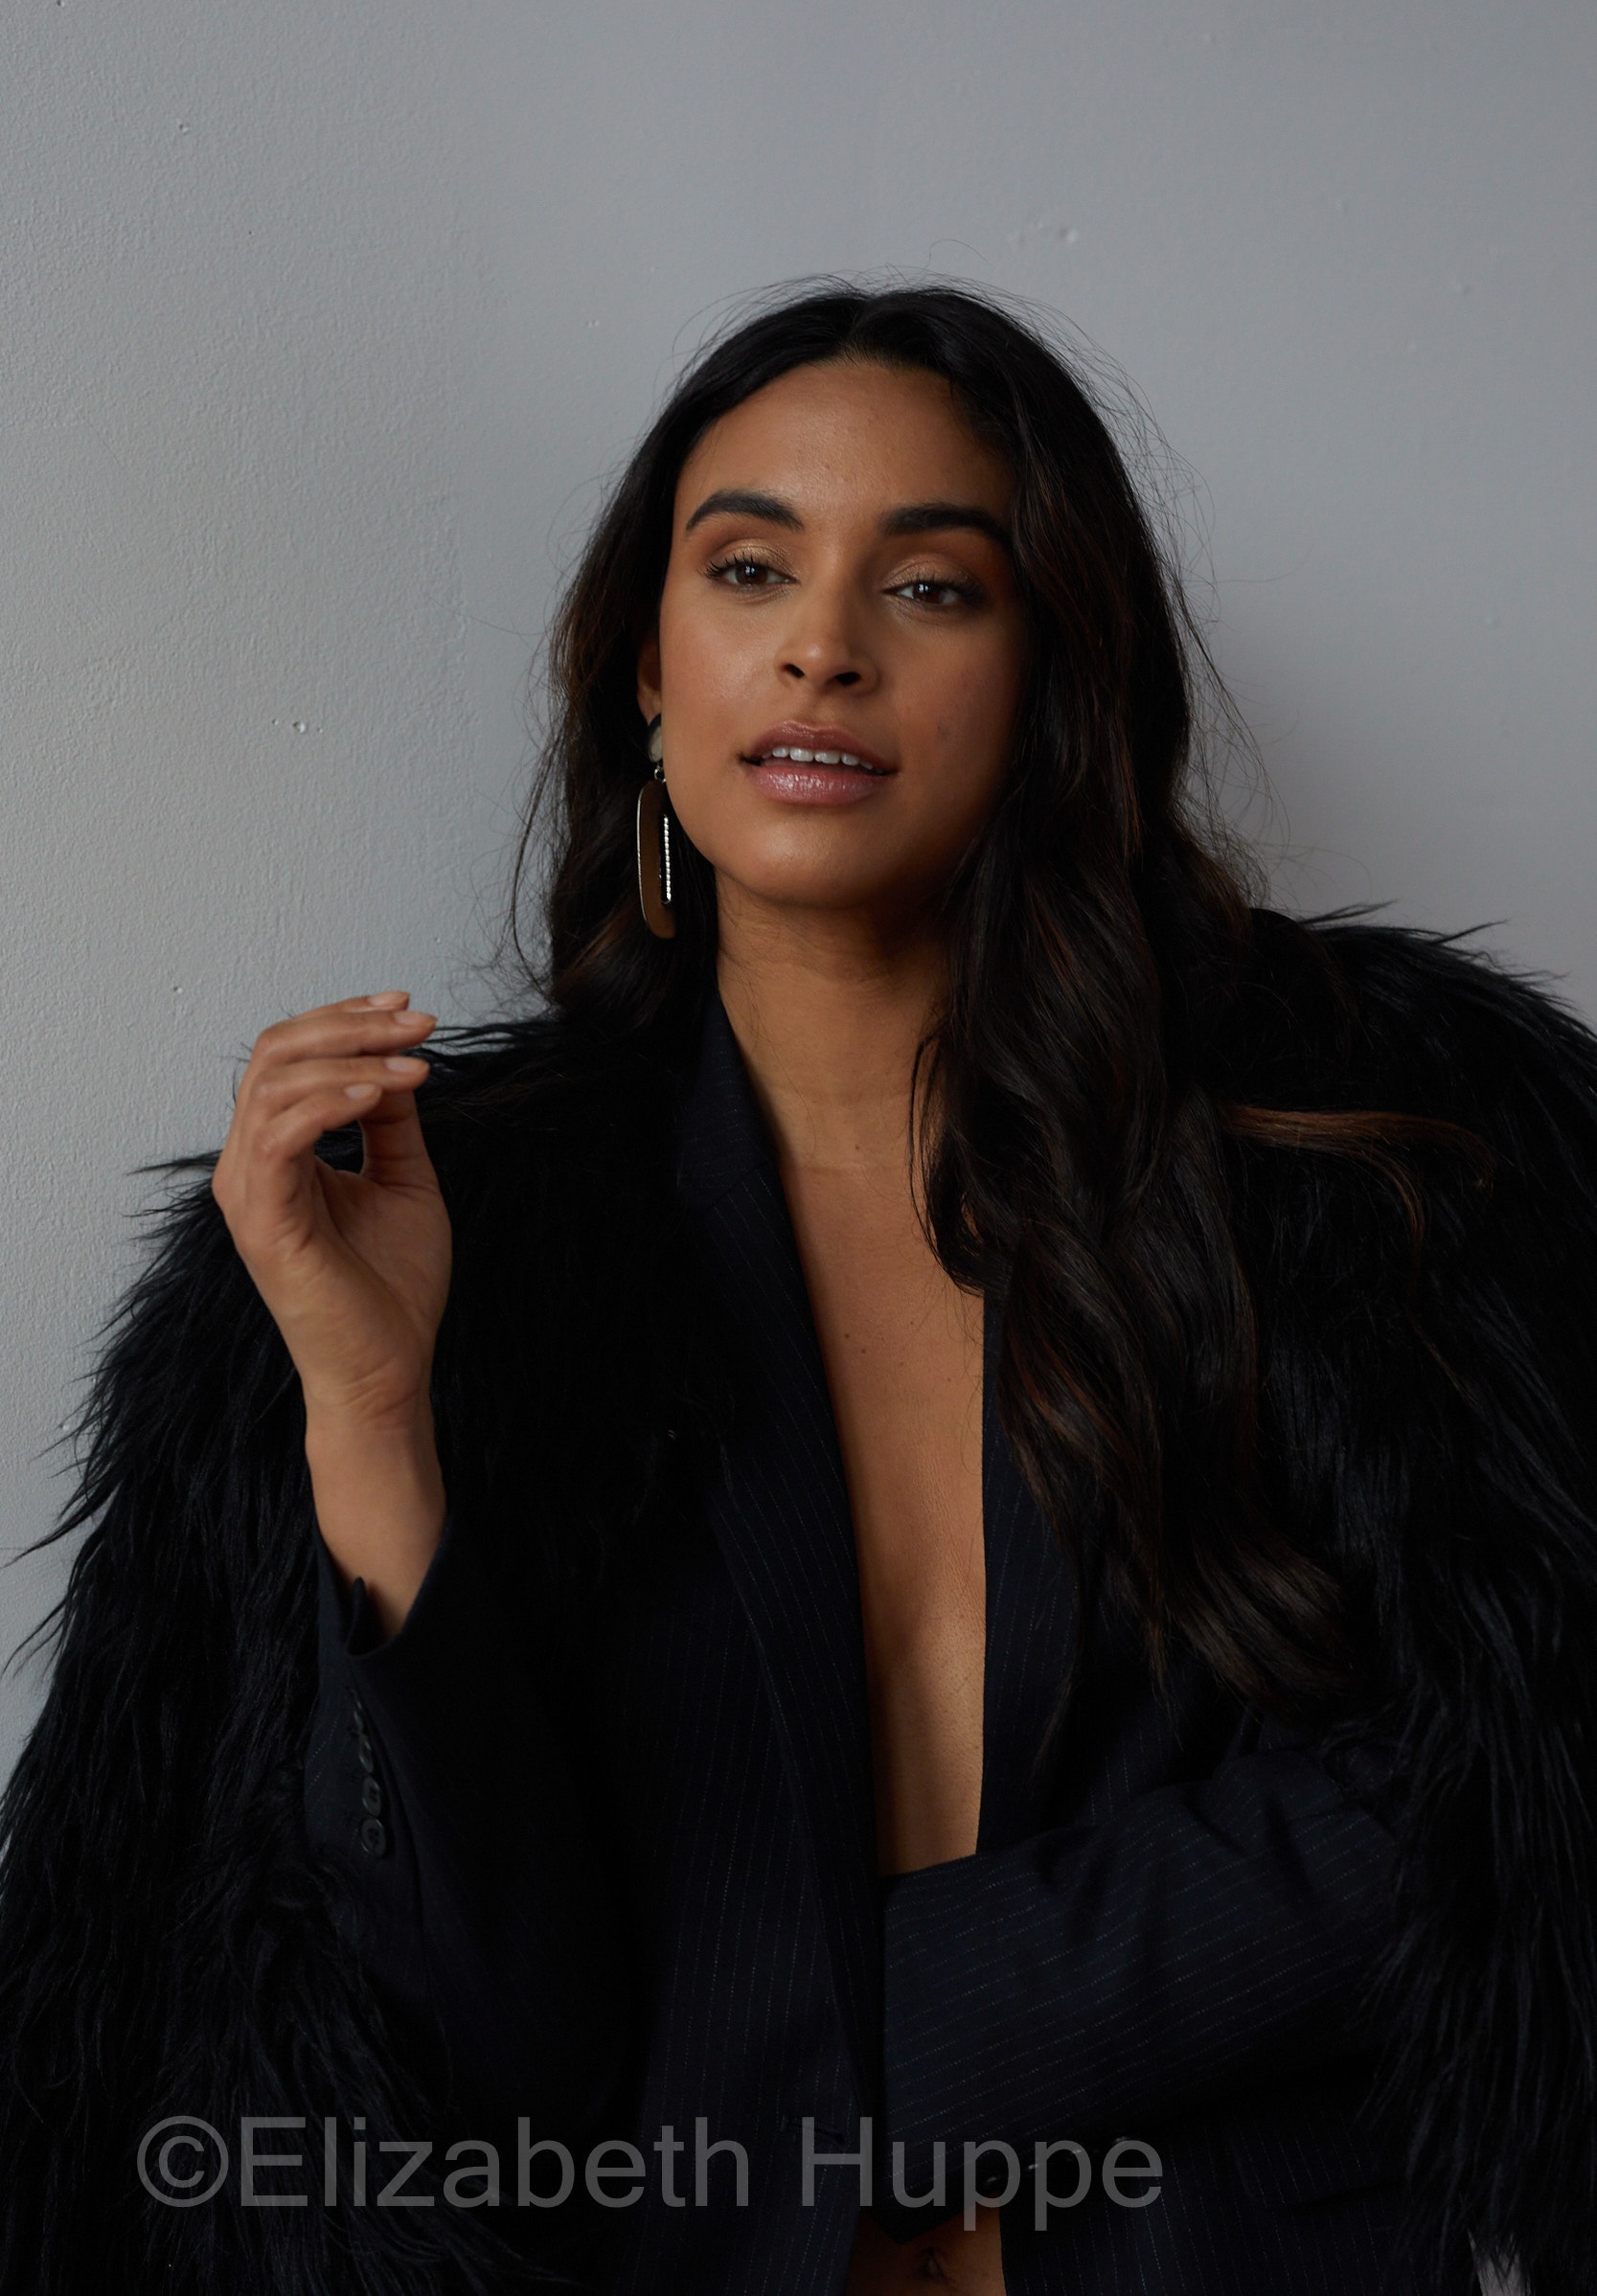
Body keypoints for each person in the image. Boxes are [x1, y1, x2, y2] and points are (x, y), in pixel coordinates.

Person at [1, 282, 1594, 2296]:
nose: (823, 642)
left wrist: (851, 2032)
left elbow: (1515, 1766)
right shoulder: (438, 1233)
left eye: (931, 586)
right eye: (748, 567)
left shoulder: (1372, 1164)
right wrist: (375, 1416)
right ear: (647, 671)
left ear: (1054, 671)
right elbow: (452, 2047)